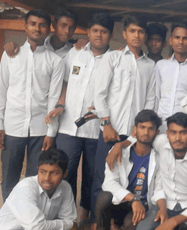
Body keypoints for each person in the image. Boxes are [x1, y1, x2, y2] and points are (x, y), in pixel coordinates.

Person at [46, 12, 114, 226]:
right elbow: (64, 83)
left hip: (97, 129)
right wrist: (59, 104)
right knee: (65, 173)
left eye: (104, 32)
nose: (99, 36)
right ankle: (67, 216)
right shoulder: (74, 54)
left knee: (93, 176)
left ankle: (88, 214)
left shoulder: (115, 59)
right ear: (88, 32)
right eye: (95, 31)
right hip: (68, 126)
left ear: (110, 35)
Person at [0, 9, 65, 201]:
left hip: (40, 129)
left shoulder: (55, 61)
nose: (37, 28)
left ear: (48, 29)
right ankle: (10, 214)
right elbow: (1, 91)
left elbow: (53, 98)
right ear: (25, 27)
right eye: (33, 24)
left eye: (42, 25)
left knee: (35, 177)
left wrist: (50, 132)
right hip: (12, 127)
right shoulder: (10, 55)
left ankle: (31, 212)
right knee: (9, 175)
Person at [91, 14, 157, 220]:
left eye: (140, 31)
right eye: (132, 31)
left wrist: (134, 137)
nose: (136, 35)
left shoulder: (150, 66)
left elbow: (150, 102)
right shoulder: (113, 58)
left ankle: (122, 221)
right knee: (102, 180)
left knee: (130, 178)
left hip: (134, 136)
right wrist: (106, 124)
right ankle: (98, 221)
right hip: (110, 132)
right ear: (124, 33)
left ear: (145, 35)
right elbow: (99, 93)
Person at [135, 112, 187, 230]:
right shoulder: (161, 142)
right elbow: (142, 138)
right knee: (142, 228)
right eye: (173, 132)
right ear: (167, 134)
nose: (177, 138)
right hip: (165, 204)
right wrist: (120, 145)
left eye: (183, 133)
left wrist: (174, 221)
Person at [94, 110, 161, 230]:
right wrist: (132, 198)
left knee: (131, 223)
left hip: (142, 205)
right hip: (121, 201)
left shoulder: (159, 157)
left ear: (157, 132)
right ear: (135, 130)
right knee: (103, 198)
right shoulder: (119, 152)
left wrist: (138, 202)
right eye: (142, 127)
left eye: (150, 129)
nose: (146, 132)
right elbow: (108, 183)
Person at [0, 149, 77, 230]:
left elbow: (70, 221)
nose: (47, 178)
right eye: (43, 172)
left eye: (54, 173)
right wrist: (65, 225)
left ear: (65, 174)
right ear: (37, 170)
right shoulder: (25, 187)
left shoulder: (65, 187)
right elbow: (36, 227)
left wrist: (67, 224)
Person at [155, 22, 187, 131]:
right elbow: (156, 96)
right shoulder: (161, 65)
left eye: (185, 38)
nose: (181, 42)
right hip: (162, 125)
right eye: (177, 37)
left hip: (186, 126)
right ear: (170, 41)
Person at [3, 8, 81, 58]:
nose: (67, 31)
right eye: (63, 25)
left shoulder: (75, 51)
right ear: (54, 25)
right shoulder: (39, 44)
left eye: (71, 28)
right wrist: (11, 46)